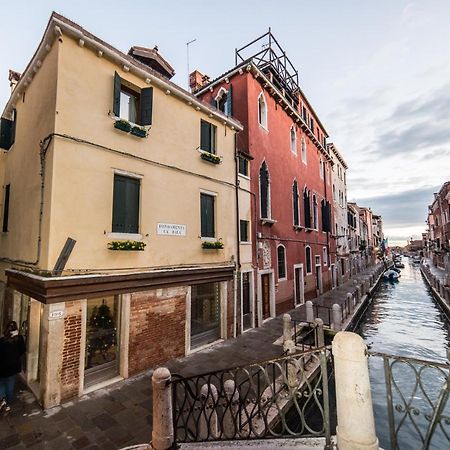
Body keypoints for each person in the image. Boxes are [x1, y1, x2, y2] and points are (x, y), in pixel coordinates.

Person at [0, 321, 26, 412]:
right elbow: (22, 350)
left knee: (2, 383)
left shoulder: (2, 341)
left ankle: (2, 399)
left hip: (2, 367)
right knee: (10, 384)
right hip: (13, 366)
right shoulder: (19, 339)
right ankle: (9, 400)